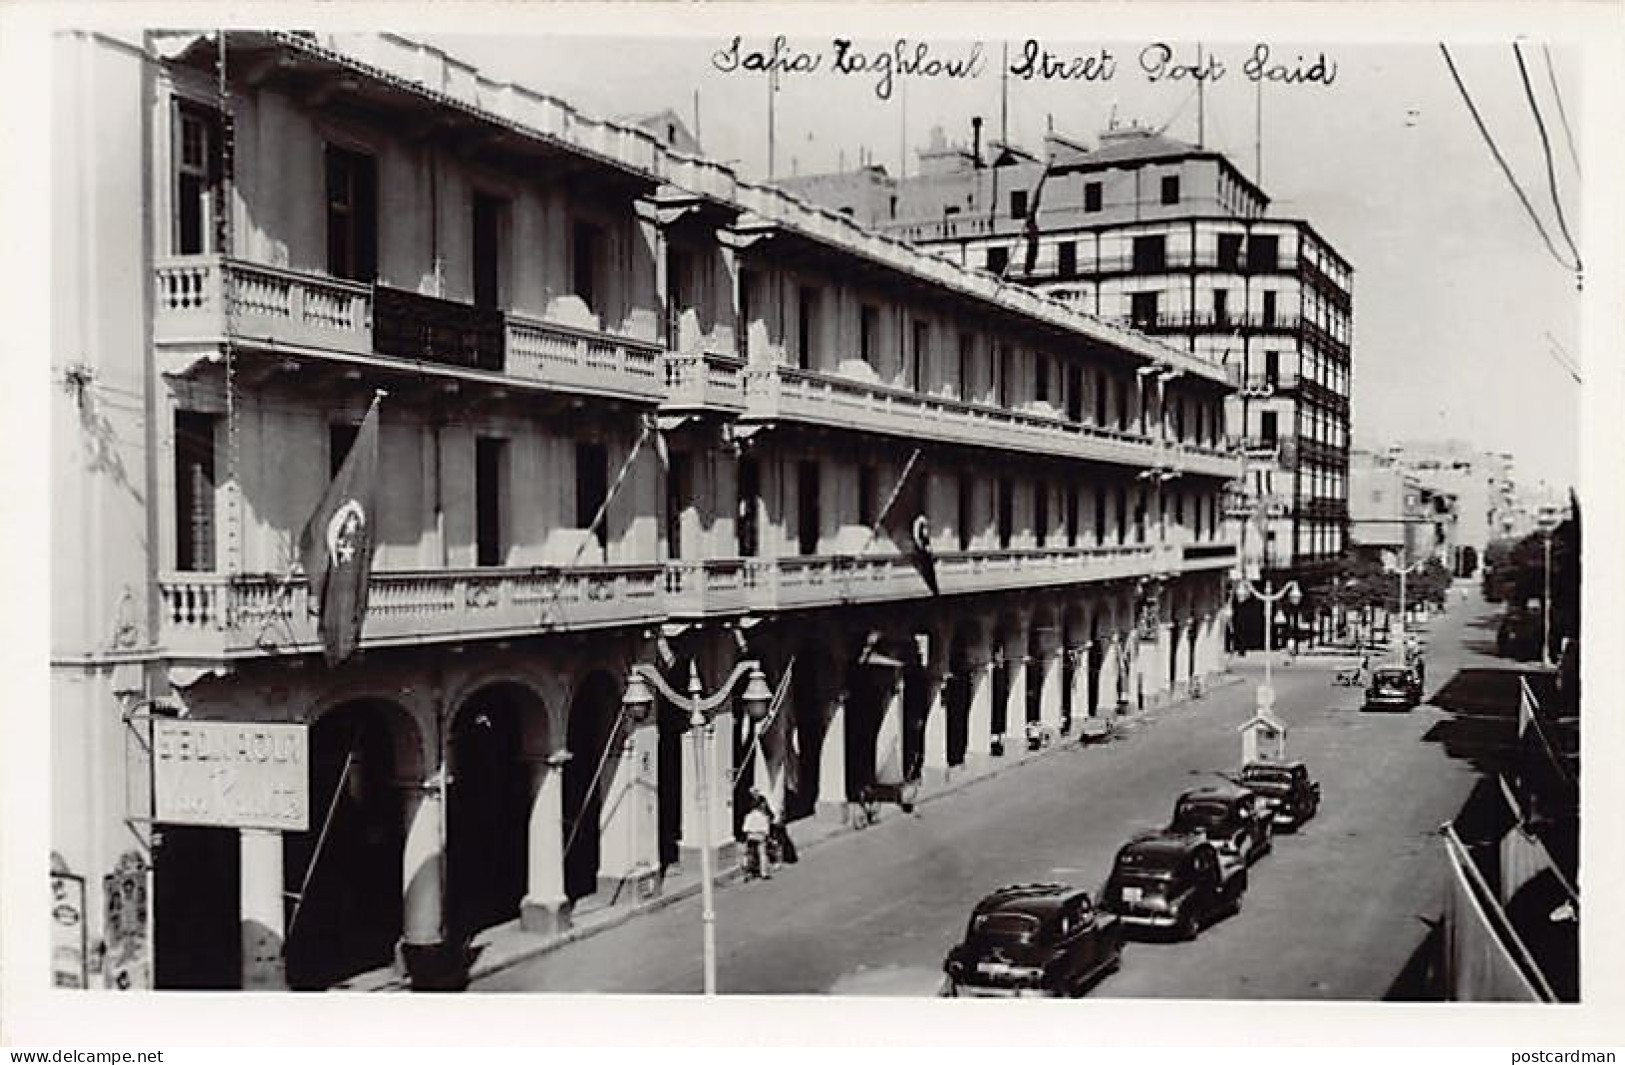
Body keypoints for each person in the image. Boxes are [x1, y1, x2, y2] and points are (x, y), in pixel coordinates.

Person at [742, 793, 773, 880]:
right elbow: (766, 830)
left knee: (748, 854)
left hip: (751, 835)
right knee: (762, 854)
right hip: (760, 836)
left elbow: (745, 828)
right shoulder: (764, 816)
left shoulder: (749, 816)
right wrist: (767, 836)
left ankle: (746, 873)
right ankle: (764, 873)